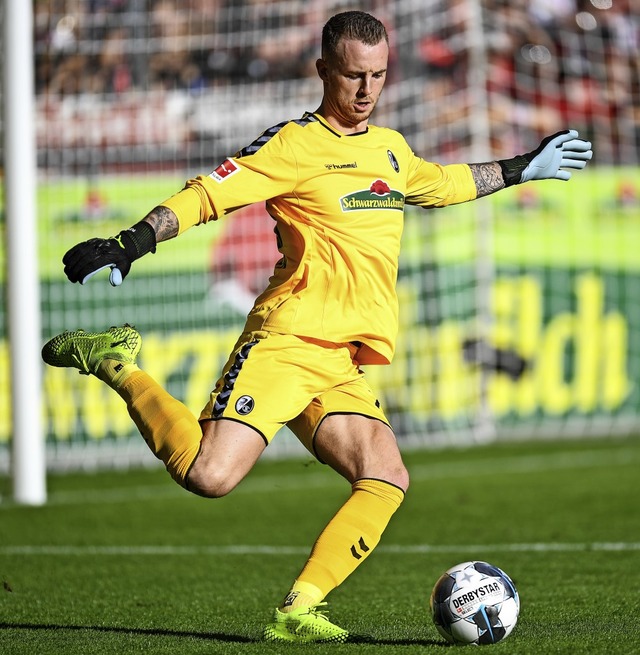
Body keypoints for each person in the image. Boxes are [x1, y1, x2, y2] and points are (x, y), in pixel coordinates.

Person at [42, 10, 592, 644]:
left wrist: (525, 166)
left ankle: (296, 609)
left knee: (386, 478)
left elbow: (440, 183)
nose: (366, 91)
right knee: (209, 477)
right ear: (323, 70)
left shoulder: (389, 147)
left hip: (341, 360)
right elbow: (207, 193)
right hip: (287, 340)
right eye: (353, 76)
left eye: (379, 76)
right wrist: (131, 242)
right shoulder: (293, 145)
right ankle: (118, 361)